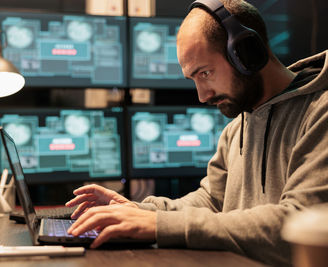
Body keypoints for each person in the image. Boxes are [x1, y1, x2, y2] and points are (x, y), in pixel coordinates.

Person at [66, 0, 328, 266]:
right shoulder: (237, 128)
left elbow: (299, 225)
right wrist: (138, 210)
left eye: (205, 73)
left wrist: (160, 224)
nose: (203, 96)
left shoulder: (321, 113)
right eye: (194, 79)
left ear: (247, 52)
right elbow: (212, 201)